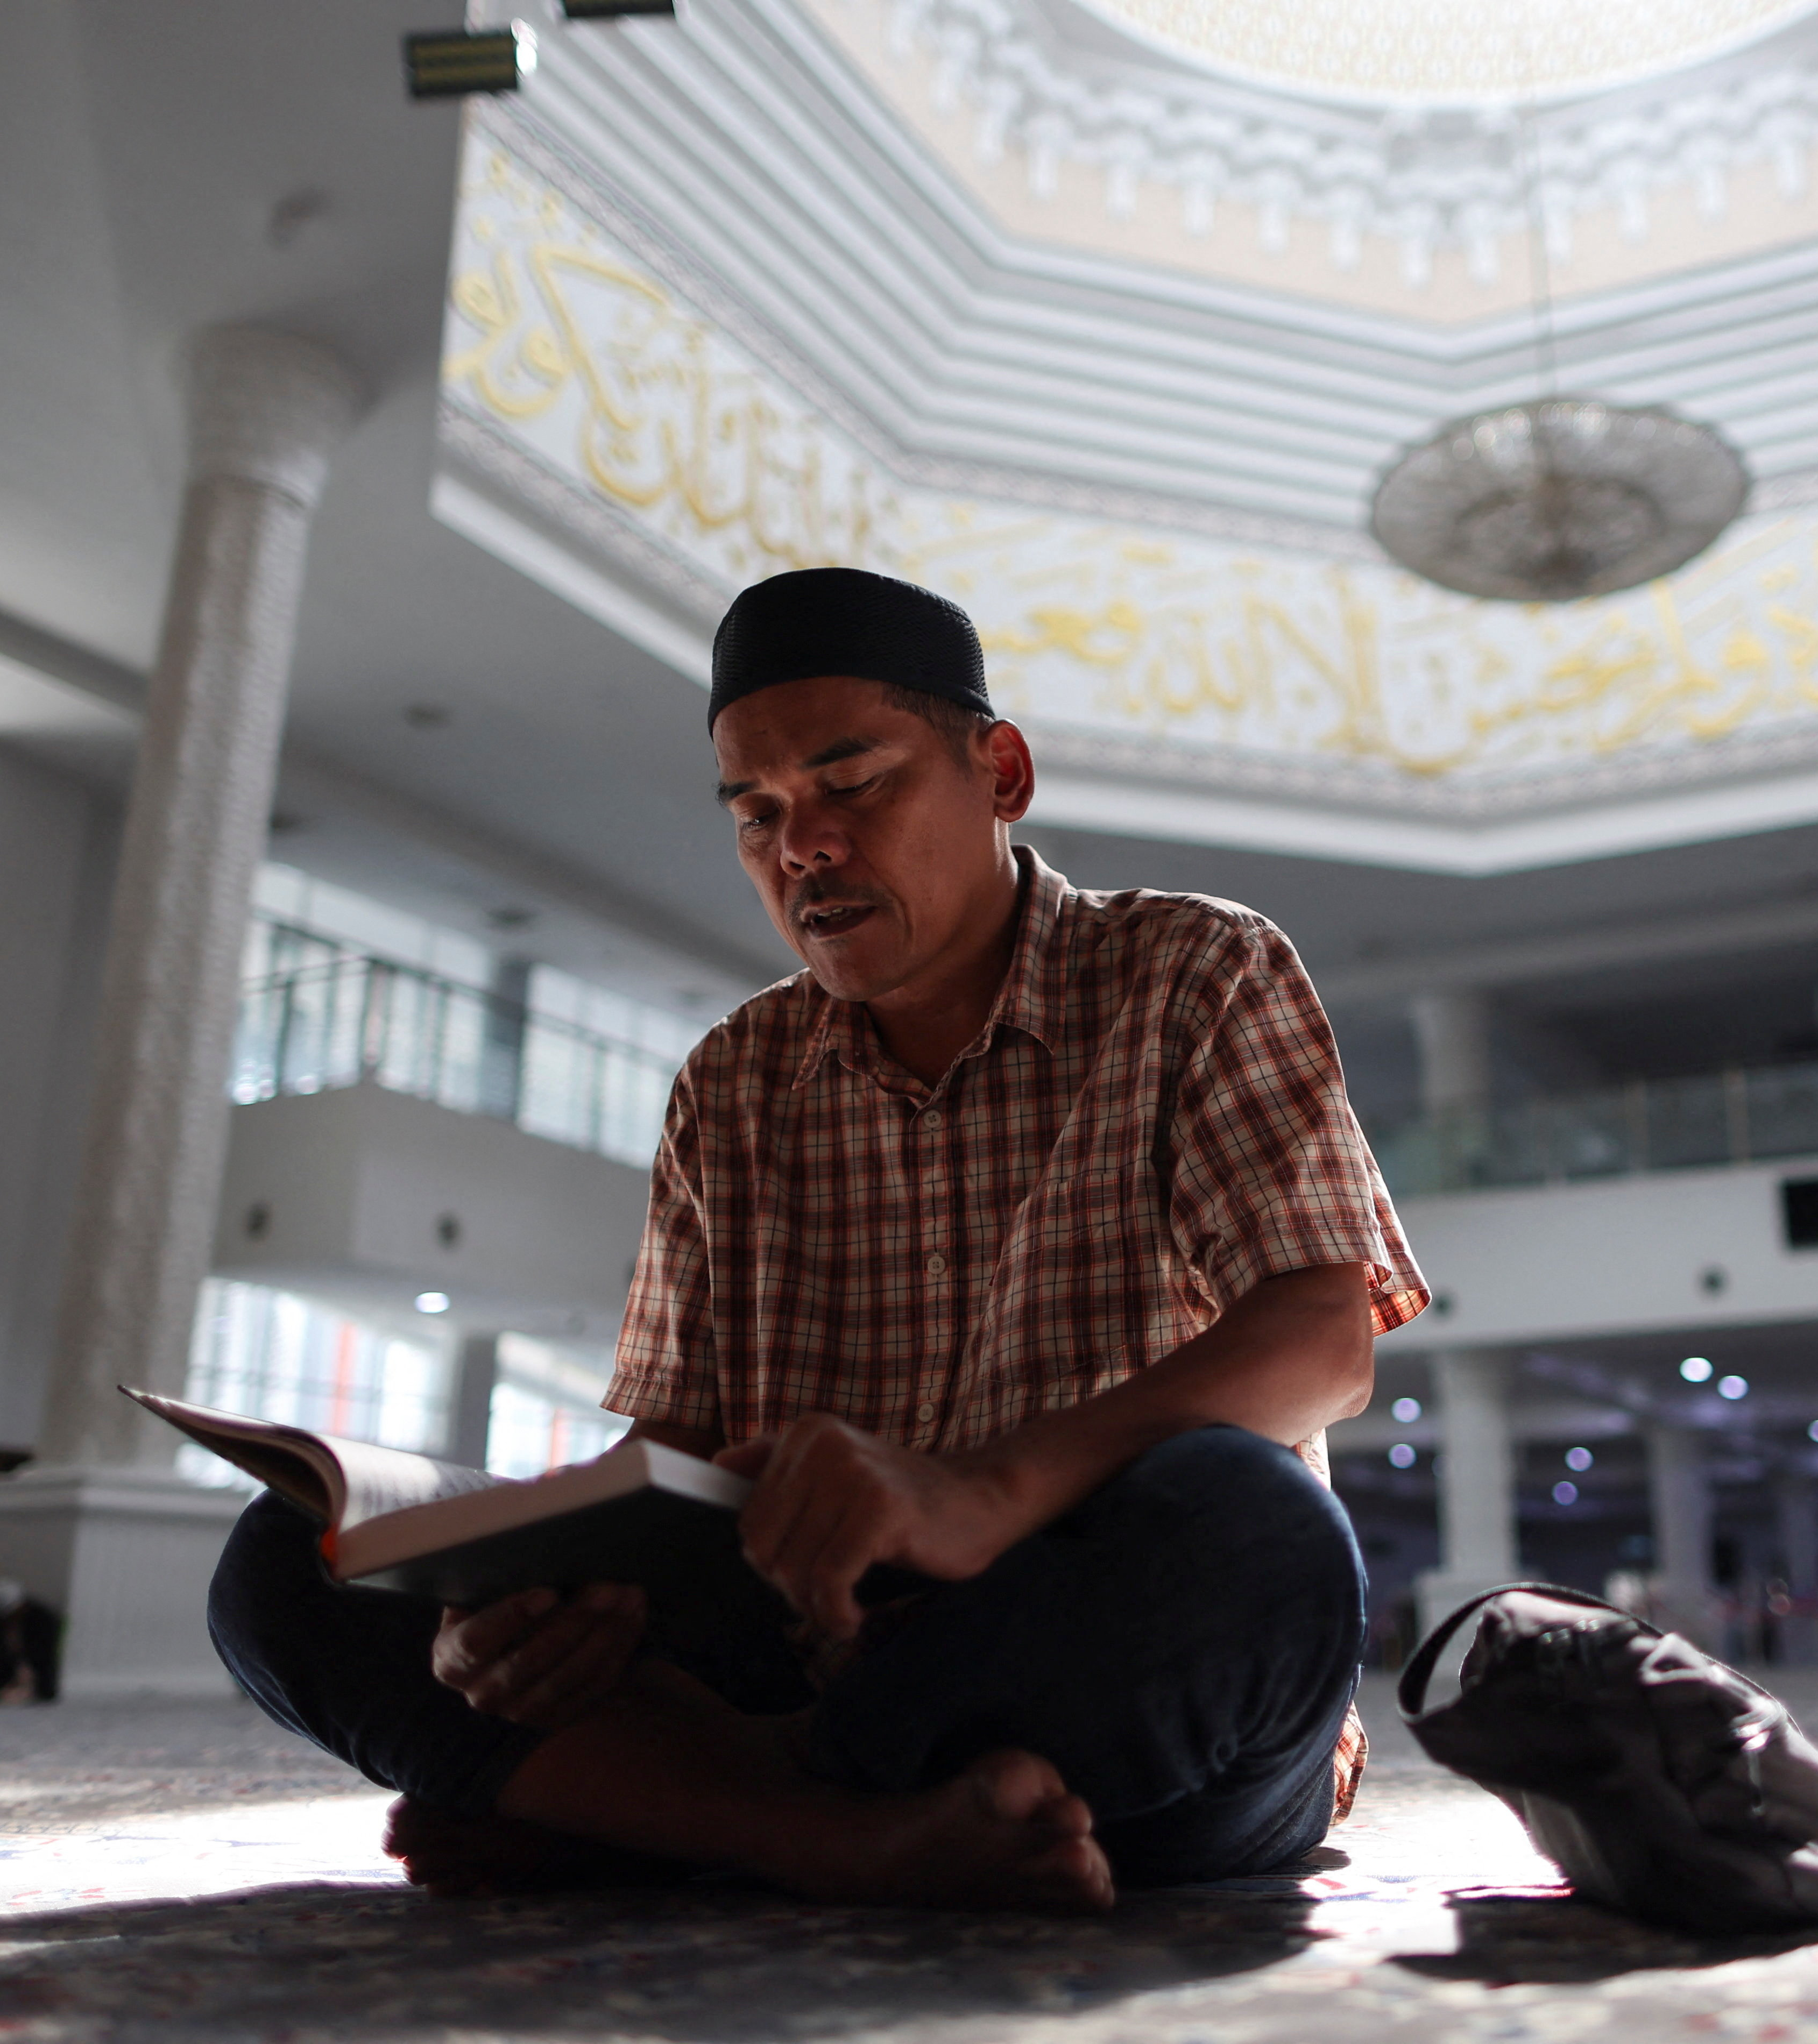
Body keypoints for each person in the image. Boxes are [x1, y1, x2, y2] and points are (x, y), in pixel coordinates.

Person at [210, 566, 1428, 1913]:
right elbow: (669, 1454)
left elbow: (1322, 1338)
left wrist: (978, 1494)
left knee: (1260, 1536)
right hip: (800, 1658)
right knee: (296, 1552)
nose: (803, 846)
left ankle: (667, 1805)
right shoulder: (734, 1077)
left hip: (1092, 1669)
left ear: (1000, 770)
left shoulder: (1193, 972)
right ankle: (832, 1834)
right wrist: (565, 1602)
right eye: (760, 813)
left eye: (852, 783)